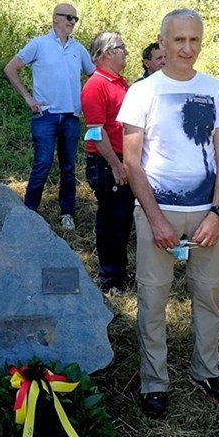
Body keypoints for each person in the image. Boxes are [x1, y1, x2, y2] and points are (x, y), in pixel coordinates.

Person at [119, 9, 219, 419]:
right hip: (158, 214)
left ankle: (208, 372)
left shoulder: (215, 91)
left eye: (194, 41)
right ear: (162, 42)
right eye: (178, 41)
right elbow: (133, 163)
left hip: (207, 217)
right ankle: (154, 381)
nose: (187, 49)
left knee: (208, 297)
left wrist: (218, 212)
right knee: (153, 300)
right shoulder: (143, 92)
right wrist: (155, 219)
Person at [4, 3, 95, 230]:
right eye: (69, 17)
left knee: (68, 167)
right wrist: (28, 97)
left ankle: (67, 213)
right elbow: (11, 68)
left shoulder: (78, 49)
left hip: (71, 117)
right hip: (45, 115)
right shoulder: (39, 44)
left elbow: (95, 76)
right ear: (55, 18)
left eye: (76, 19)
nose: (72, 22)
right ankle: (29, 211)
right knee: (42, 164)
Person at [81, 32, 135, 295]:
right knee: (111, 221)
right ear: (105, 54)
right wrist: (115, 164)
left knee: (123, 219)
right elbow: (95, 131)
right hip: (106, 163)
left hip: (121, 160)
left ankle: (120, 274)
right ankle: (110, 280)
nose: (126, 51)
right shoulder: (96, 85)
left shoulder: (120, 82)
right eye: (120, 47)